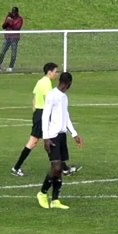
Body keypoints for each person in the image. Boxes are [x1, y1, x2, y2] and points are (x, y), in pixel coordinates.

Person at [37, 72, 81, 210]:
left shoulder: (64, 98)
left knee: (60, 168)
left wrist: (74, 133)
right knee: (56, 167)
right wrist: (46, 138)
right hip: (52, 137)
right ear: (69, 84)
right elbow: (45, 116)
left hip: (62, 136)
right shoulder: (52, 95)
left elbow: (66, 116)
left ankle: (55, 200)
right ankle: (42, 193)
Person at [12, 62, 58, 177]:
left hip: (38, 113)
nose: (56, 74)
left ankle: (61, 167)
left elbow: (34, 98)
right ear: (49, 72)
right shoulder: (47, 83)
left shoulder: (40, 81)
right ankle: (16, 167)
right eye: (55, 71)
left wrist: (36, 113)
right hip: (43, 114)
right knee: (38, 141)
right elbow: (48, 100)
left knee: (48, 140)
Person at [0, 6, 23, 73]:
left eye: (14, 12)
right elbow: (3, 26)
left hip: (14, 38)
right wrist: (7, 21)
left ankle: (10, 67)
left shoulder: (20, 19)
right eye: (12, 12)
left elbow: (17, 27)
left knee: (13, 54)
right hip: (7, 37)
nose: (13, 14)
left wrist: (10, 21)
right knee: (2, 52)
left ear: (17, 12)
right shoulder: (9, 17)